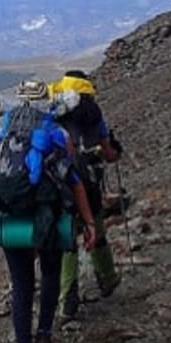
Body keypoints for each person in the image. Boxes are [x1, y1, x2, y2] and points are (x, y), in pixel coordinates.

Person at [0, 80, 98, 343]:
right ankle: (45, 335)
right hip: (49, 218)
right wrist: (88, 222)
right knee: (50, 274)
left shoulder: (1, 134)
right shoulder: (57, 134)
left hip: (13, 222)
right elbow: (74, 181)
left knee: (21, 287)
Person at [47, 71, 123, 323]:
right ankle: (108, 278)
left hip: (61, 182)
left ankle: (67, 299)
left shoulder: (54, 107)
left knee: (67, 239)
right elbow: (109, 152)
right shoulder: (92, 111)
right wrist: (110, 152)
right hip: (88, 181)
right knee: (96, 228)